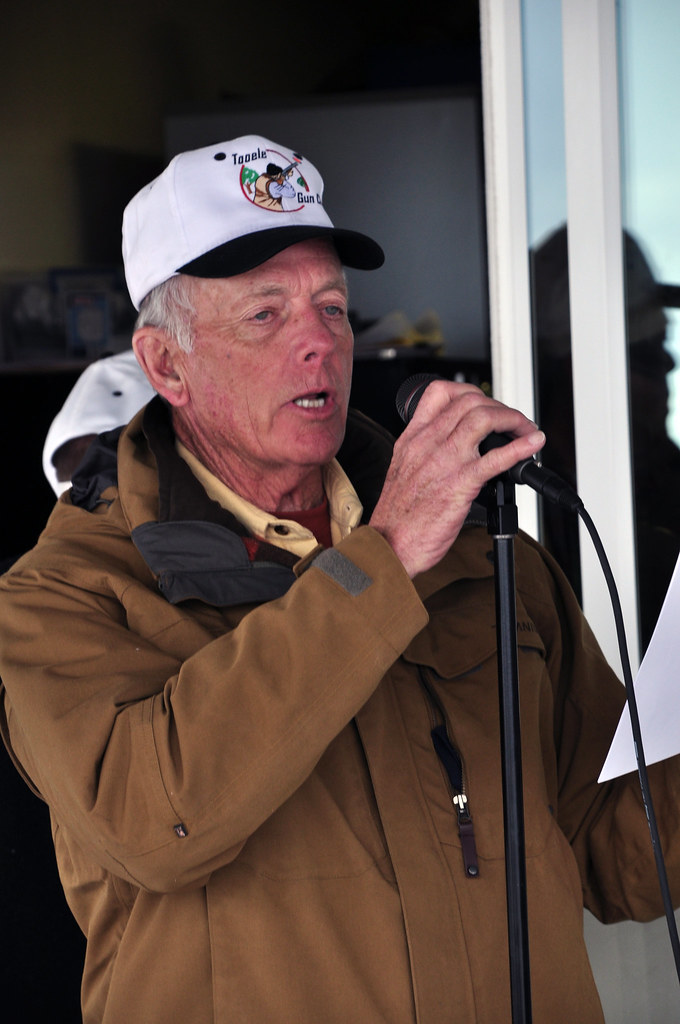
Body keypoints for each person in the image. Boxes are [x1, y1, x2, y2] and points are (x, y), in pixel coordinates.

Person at [1, 134, 679, 1024]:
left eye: (331, 306)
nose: (318, 343)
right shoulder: (62, 595)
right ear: (166, 364)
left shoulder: (482, 547)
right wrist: (385, 557)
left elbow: (615, 851)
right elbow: (156, 823)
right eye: (266, 315)